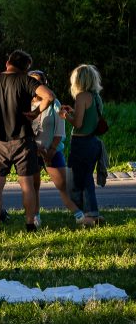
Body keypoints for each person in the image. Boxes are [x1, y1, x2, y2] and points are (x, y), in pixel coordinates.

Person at [0, 50, 54, 234]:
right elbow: (49, 97)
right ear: (25, 68)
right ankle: (30, 224)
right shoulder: (26, 80)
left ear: (7, 62)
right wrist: (36, 113)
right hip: (22, 139)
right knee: (27, 184)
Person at [28, 70, 97, 228]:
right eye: (33, 83)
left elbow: (60, 130)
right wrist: (36, 148)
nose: (36, 86)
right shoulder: (24, 104)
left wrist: (51, 151)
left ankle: (79, 215)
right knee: (33, 185)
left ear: (45, 84)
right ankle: (35, 215)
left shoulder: (54, 103)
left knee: (63, 184)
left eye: (40, 82)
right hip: (32, 150)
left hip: (52, 151)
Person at [60, 64, 106, 225]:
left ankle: (88, 213)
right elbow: (88, 118)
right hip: (93, 142)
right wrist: (73, 111)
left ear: (78, 80)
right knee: (86, 178)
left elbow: (78, 124)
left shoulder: (81, 96)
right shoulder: (96, 97)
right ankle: (89, 212)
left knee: (78, 180)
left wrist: (66, 116)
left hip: (81, 142)